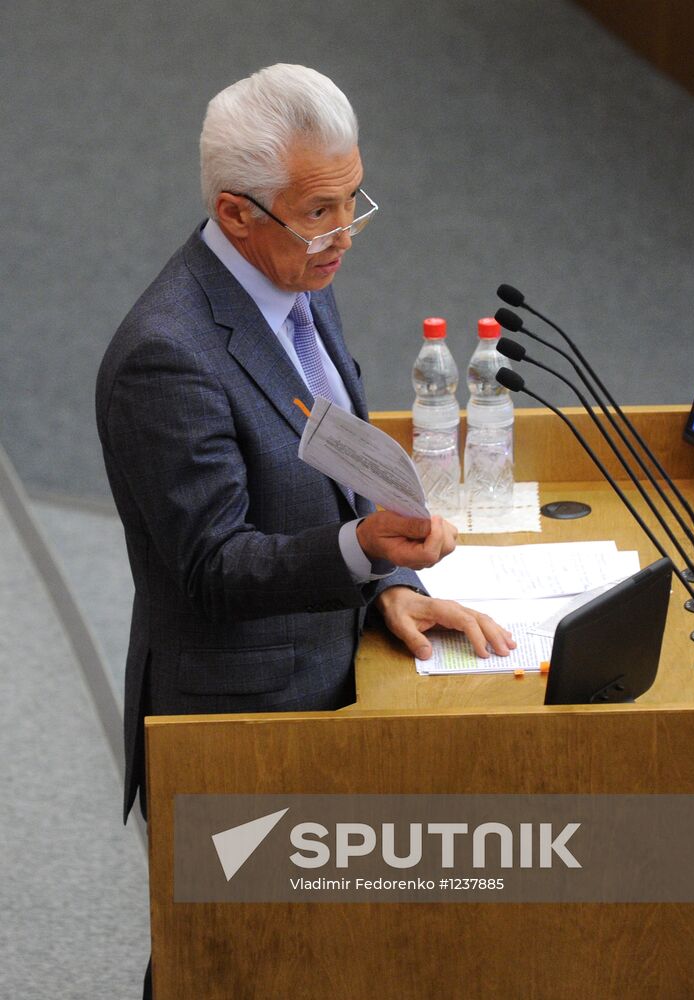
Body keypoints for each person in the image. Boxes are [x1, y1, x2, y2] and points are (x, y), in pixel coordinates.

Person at [96, 58, 515, 933]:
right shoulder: (165, 357)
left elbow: (334, 473)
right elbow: (214, 566)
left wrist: (392, 588)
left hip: (334, 668)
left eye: (351, 203)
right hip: (241, 721)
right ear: (236, 215)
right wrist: (366, 552)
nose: (343, 235)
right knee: (228, 967)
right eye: (319, 212)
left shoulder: (299, 287)